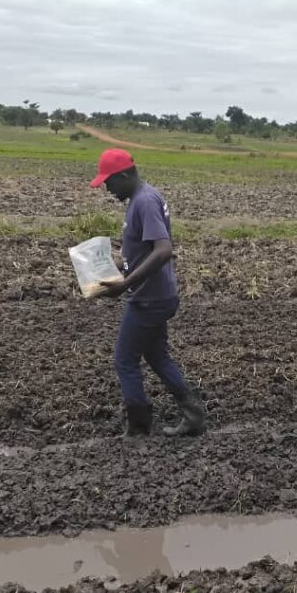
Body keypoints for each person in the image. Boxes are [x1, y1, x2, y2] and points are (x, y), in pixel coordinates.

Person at [89, 148, 205, 438]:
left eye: (110, 182)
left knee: (125, 359)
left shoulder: (145, 202)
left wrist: (125, 285)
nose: (107, 188)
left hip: (150, 298)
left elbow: (164, 250)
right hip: (153, 293)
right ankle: (193, 415)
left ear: (126, 174)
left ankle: (139, 427)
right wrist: (114, 268)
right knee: (155, 354)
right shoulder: (139, 199)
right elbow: (143, 252)